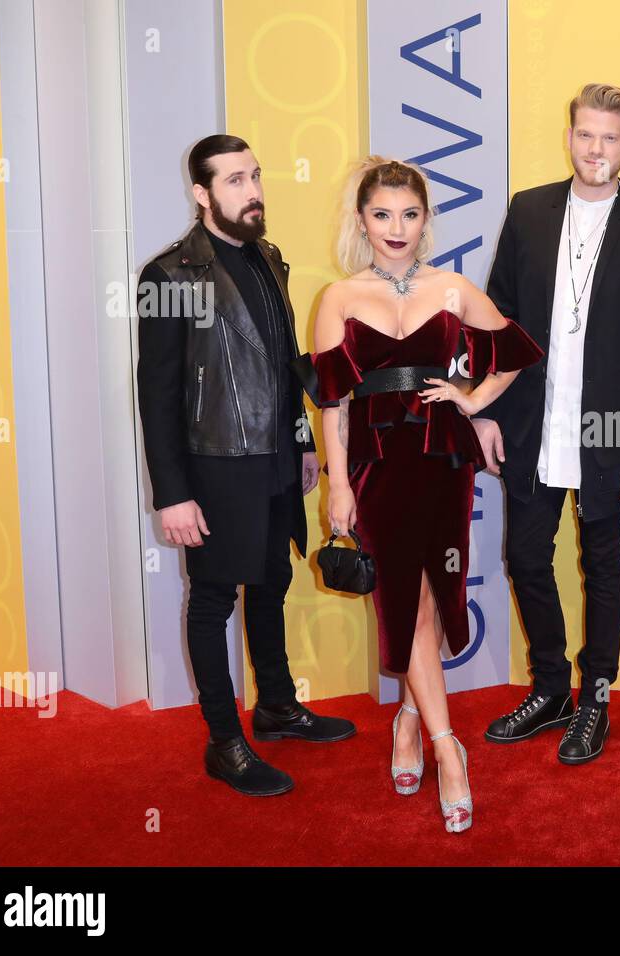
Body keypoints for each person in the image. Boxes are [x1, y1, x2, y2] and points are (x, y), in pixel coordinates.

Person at [305, 157, 543, 833]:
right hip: (378, 466)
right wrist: (339, 485)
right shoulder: (340, 298)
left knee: (437, 597)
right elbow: (333, 402)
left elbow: (517, 353)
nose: (396, 228)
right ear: (362, 220)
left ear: (426, 218)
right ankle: (449, 747)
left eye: (410, 214)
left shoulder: (452, 288)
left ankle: (409, 718)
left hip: (442, 461)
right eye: (382, 215)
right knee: (402, 603)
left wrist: (470, 400)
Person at [136, 134, 356, 799]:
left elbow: (281, 362)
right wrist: (171, 493)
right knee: (211, 600)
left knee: (270, 581)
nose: (252, 190)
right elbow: (157, 391)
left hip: (275, 456)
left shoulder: (268, 257)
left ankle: (277, 707)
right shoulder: (167, 275)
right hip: (213, 463)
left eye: (254, 175)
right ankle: (224, 742)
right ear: (201, 194)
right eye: (234, 180)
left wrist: (305, 438)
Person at [471, 83, 620, 765]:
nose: (596, 149)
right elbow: (497, 317)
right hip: (533, 417)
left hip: (612, 427)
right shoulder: (529, 210)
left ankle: (596, 697)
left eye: (609, 138)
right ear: (570, 137)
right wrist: (488, 412)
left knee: (603, 564)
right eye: (586, 135)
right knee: (526, 556)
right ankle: (552, 687)